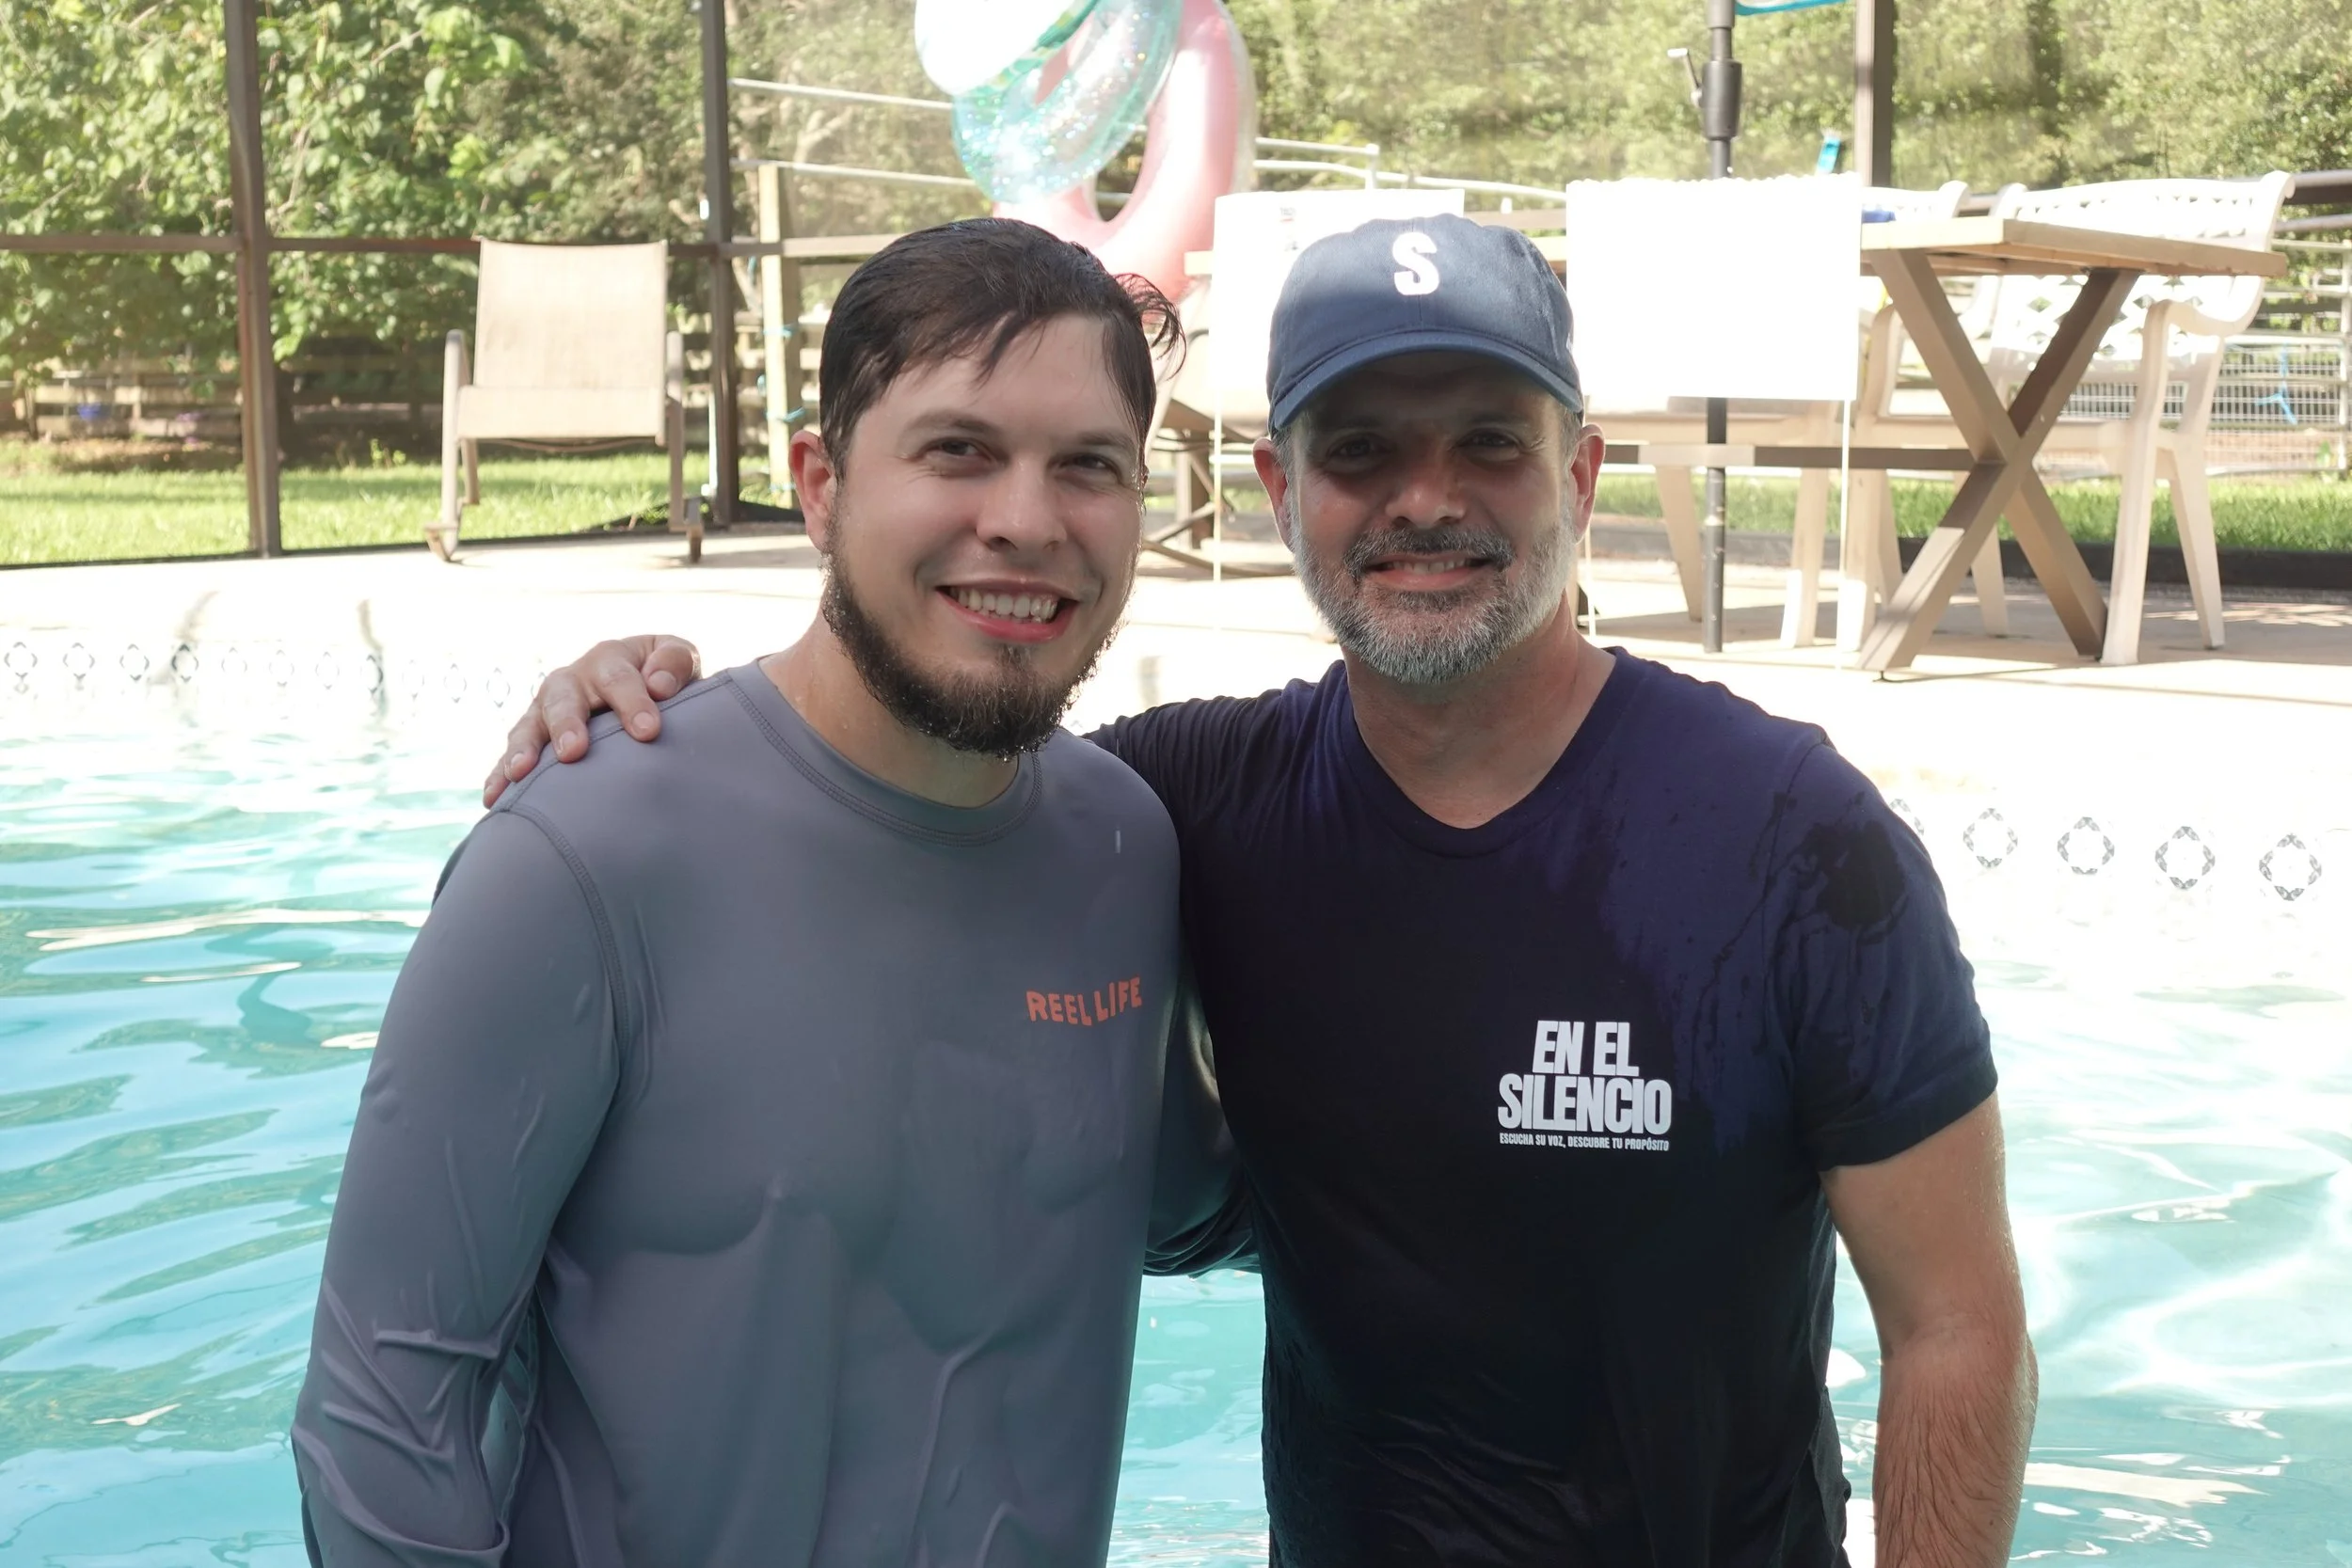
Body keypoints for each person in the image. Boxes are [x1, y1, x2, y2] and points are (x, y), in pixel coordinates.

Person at [493, 214, 2037, 1565]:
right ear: (1277, 486)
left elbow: (1957, 1327)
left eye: (1489, 441)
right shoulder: (1177, 808)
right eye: (1361, 448)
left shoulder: (1789, 841)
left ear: (1580, 470)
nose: (1425, 497)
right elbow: (900, 778)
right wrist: (662, 716)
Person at [292, 219, 1247, 1568]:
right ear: (818, 482)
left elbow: (1216, 1208)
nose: (1027, 520)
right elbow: (381, 1423)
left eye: (1088, 465)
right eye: (958, 450)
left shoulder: (1124, 849)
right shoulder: (583, 857)